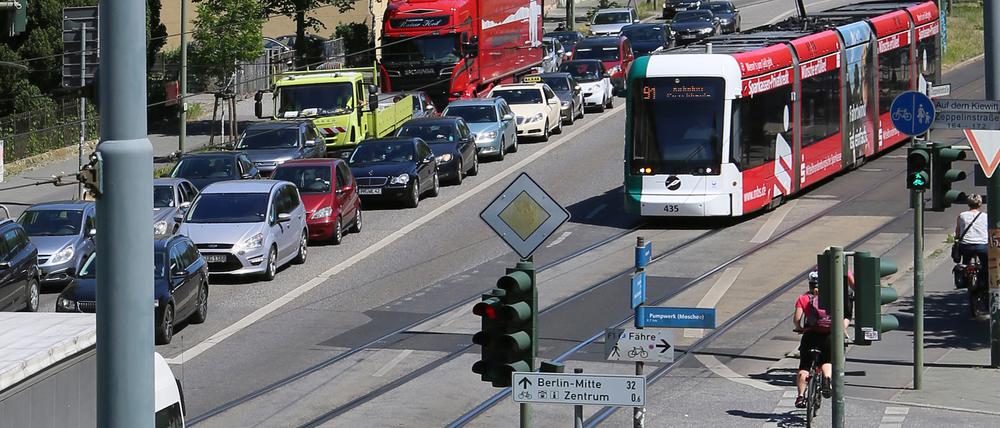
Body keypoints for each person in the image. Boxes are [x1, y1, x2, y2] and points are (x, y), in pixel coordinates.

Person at [794, 271, 833, 408]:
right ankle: (827, 381)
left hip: (810, 336)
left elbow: (797, 319)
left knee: (804, 366)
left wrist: (799, 328)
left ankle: (800, 397)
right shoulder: (831, 298)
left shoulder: (803, 299)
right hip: (828, 336)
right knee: (827, 360)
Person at [956, 194, 988, 271]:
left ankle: (966, 277)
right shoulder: (985, 216)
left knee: (966, 264)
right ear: (980, 204)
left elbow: (958, 230)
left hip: (966, 245)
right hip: (982, 245)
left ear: (968, 204)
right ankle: (984, 279)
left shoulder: (962, 215)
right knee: (985, 265)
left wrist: (957, 238)